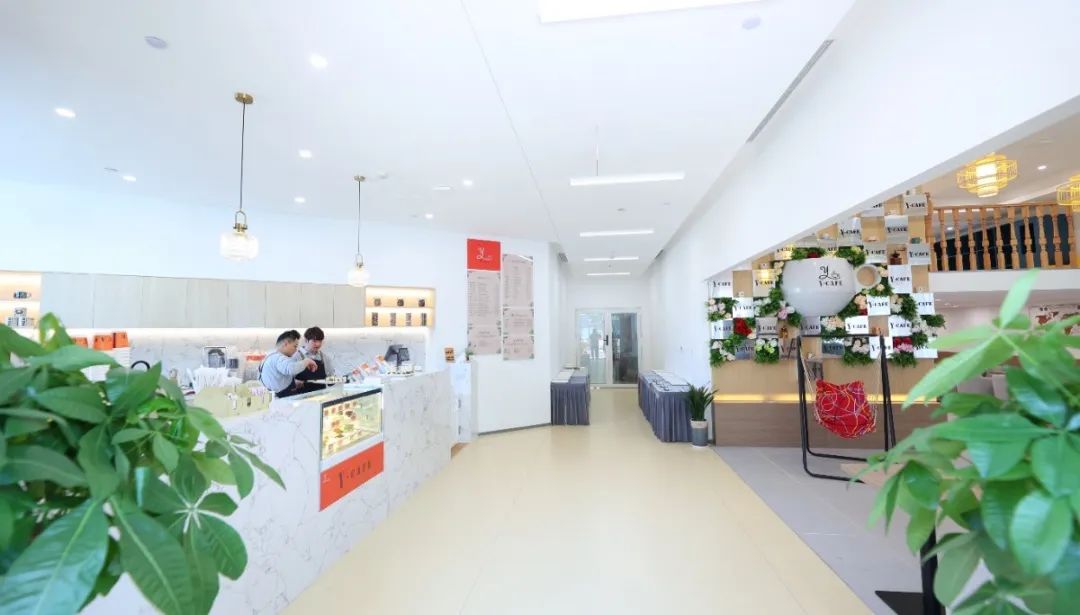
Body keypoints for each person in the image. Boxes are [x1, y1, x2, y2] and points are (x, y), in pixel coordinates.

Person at [259, 330, 317, 398]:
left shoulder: (270, 355)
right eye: (295, 346)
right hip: (280, 398)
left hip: (274, 396)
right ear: (286, 344)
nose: (296, 350)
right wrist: (306, 361)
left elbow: (276, 377)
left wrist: (294, 382)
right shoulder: (279, 357)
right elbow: (291, 369)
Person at [294, 326, 335, 393]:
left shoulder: (325, 358)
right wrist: (296, 383)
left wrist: (338, 379)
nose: (318, 344)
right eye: (314, 341)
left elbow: (331, 381)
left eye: (320, 341)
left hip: (321, 396)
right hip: (301, 396)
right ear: (306, 340)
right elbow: (287, 382)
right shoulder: (296, 357)